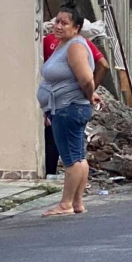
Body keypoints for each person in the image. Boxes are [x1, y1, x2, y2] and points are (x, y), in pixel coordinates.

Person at [37, 4, 100, 216]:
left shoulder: (75, 47)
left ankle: (65, 204)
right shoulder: (65, 45)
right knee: (79, 156)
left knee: (72, 159)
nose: (58, 26)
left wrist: (89, 94)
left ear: (77, 27)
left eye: (64, 23)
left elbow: (85, 78)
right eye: (56, 21)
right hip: (69, 107)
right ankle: (77, 202)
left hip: (68, 108)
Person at [43, 20, 110, 176]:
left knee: (54, 139)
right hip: (77, 102)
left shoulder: (47, 42)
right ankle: (77, 189)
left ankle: (53, 176)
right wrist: (89, 92)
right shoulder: (82, 44)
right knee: (76, 147)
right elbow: (104, 66)